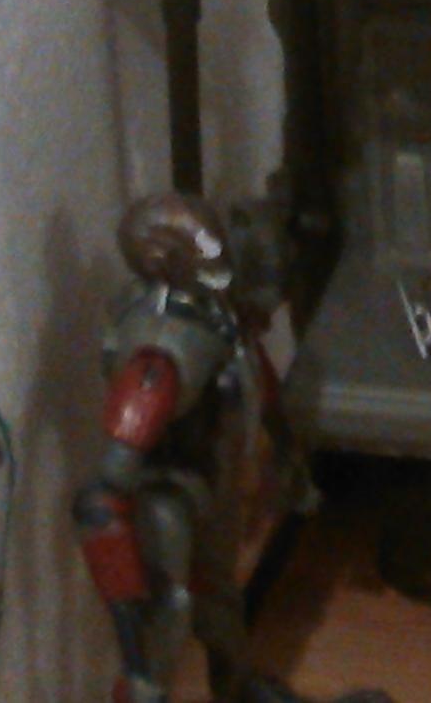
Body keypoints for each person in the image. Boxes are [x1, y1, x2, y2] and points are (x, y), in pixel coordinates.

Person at [72, 192, 389, 703]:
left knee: (220, 605)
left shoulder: (215, 317)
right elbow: (101, 496)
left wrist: (286, 450)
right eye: (200, 246)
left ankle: (236, 687)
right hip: (169, 493)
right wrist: (131, 648)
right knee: (169, 617)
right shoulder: (162, 349)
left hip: (210, 486)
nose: (215, 254)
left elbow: (251, 371)